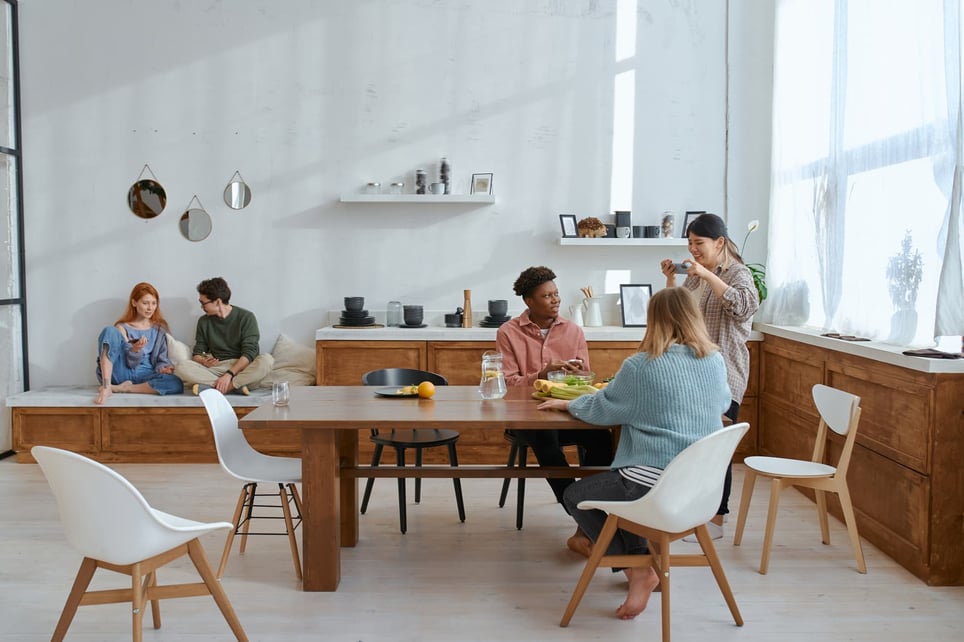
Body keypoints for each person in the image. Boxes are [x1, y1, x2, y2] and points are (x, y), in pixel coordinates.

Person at [538, 287, 731, 620]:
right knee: (620, 491)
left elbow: (603, 409)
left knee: (577, 495)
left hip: (653, 486)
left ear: (653, 321)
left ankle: (636, 571)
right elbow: (724, 403)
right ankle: (641, 563)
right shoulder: (713, 361)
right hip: (701, 490)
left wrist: (570, 403)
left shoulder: (643, 366)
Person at [496, 266, 614, 556]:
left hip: (569, 411)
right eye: (546, 295)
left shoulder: (573, 330)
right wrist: (542, 374)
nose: (555, 299)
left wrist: (577, 374)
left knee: (602, 440)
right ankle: (582, 514)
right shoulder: (508, 332)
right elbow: (507, 384)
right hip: (527, 416)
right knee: (545, 440)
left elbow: (587, 376)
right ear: (529, 301)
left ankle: (591, 513)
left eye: (556, 293)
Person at [660, 212, 759, 539]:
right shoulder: (696, 274)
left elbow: (743, 307)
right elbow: (678, 312)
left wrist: (708, 275)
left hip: (724, 374)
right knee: (692, 445)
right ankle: (691, 513)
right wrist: (672, 280)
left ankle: (717, 517)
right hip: (693, 373)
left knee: (716, 448)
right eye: (689, 243)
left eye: (698, 243)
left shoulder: (738, 273)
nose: (693, 249)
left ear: (719, 242)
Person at [174, 277, 274, 395]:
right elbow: (197, 354)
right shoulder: (204, 321)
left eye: (203, 303)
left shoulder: (246, 317)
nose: (202, 307)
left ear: (217, 301)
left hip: (242, 369)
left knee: (267, 360)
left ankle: (224, 386)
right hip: (217, 369)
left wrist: (229, 375)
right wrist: (203, 361)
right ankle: (235, 387)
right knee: (181, 366)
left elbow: (250, 353)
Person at [94, 282, 184, 404]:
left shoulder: (158, 331)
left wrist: (163, 369)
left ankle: (124, 388)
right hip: (121, 373)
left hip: (145, 377)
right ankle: (106, 386)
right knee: (109, 330)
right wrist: (135, 350)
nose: (150, 308)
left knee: (176, 383)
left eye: (153, 303)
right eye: (145, 303)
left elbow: (161, 360)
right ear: (134, 302)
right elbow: (130, 362)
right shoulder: (121, 328)